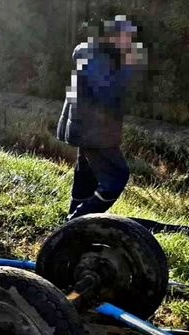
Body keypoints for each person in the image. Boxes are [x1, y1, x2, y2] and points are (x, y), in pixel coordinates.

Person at [56, 15, 147, 220]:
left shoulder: (99, 54)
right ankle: (77, 223)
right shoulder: (95, 57)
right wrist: (129, 67)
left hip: (88, 128)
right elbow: (107, 93)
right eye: (126, 36)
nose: (130, 42)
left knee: (85, 180)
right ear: (112, 37)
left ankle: (72, 222)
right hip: (93, 131)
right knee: (117, 177)